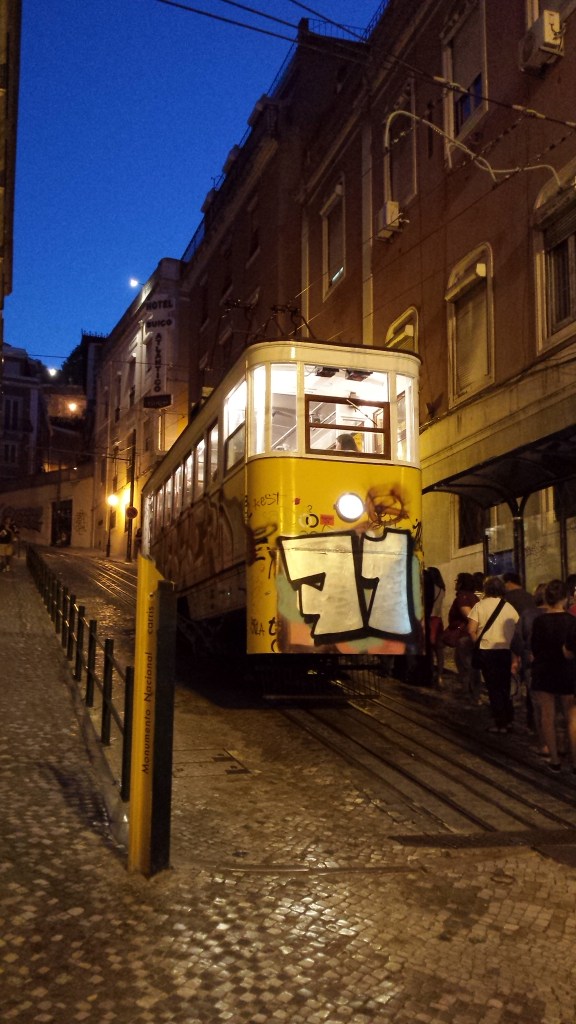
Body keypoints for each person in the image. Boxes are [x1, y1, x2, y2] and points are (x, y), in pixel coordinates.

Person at [531, 579, 576, 774]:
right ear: (565, 598)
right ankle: (575, 762)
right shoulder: (572, 621)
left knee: (547, 715)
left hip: (544, 671)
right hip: (567, 670)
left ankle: (555, 760)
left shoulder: (539, 621)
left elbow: (534, 648)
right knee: (572, 717)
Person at [468, 575, 519, 733]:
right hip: (505, 650)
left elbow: (471, 629)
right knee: (504, 686)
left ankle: (500, 723)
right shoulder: (509, 607)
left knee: (493, 687)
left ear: (486, 589)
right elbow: (516, 630)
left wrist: (478, 643)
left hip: (487, 651)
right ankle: (508, 720)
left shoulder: (480, 606)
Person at [511, 583, 547, 753]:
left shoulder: (528, 614)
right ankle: (559, 741)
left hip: (532, 662)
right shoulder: (563, 614)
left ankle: (543, 741)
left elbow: (518, 640)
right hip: (558, 664)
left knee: (537, 702)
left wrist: (516, 659)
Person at [442, 572, 479, 697]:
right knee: (463, 662)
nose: (456, 583)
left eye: (457, 581)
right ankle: (468, 690)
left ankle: (471, 692)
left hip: (464, 635)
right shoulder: (473, 597)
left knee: (465, 664)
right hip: (469, 634)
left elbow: (470, 615)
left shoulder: (463, 597)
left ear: (462, 583)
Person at [425, 567, 446, 682]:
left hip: (431, 619)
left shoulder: (430, 588)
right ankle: (440, 675)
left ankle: (431, 672)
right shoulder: (442, 589)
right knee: (439, 650)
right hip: (439, 620)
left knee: (430, 649)